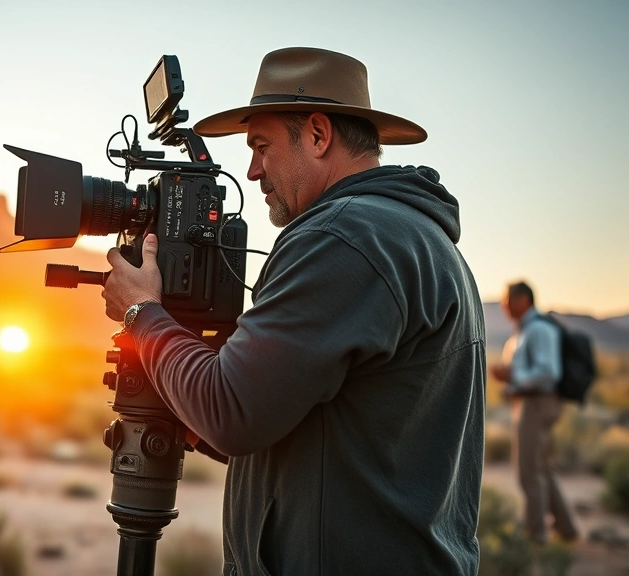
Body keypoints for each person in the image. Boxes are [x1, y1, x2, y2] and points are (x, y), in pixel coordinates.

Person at [102, 47, 485, 574]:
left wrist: (141, 313)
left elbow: (231, 411)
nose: (253, 170)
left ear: (318, 135)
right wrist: (194, 421)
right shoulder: (411, 236)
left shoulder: (343, 238)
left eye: (261, 146)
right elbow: (326, 433)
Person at [491, 281, 579, 544]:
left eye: (507, 301)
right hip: (531, 402)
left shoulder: (539, 329)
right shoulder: (523, 331)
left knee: (528, 471)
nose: (504, 306)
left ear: (523, 300)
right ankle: (566, 529)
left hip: (538, 403)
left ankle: (535, 536)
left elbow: (549, 371)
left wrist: (513, 375)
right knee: (542, 468)